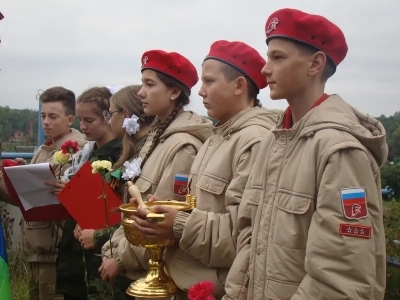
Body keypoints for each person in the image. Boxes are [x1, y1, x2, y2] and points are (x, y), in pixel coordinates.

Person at [223, 8, 388, 300]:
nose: (264, 69)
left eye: (278, 57)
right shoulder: (274, 141)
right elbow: (249, 240)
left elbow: (340, 278)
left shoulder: (339, 150)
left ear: (315, 64)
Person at [130, 40, 282, 299]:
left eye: (209, 82)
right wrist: (167, 209)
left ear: (239, 86)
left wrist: (177, 224)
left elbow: (246, 235)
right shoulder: (216, 138)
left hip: (216, 288)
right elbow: (203, 208)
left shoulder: (255, 141)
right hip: (187, 281)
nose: (200, 92)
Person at [100, 50, 213, 289]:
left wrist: (119, 258)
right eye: (142, 83)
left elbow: (160, 223)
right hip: (138, 270)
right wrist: (112, 248)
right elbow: (133, 208)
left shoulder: (183, 145)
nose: (141, 92)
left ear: (174, 92)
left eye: (150, 84)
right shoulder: (157, 137)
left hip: (158, 278)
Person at [2, 86, 86, 300]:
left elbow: (48, 195)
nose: (46, 122)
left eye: (52, 116)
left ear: (70, 119)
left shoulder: (75, 150)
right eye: (43, 116)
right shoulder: (44, 148)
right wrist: (23, 170)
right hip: (38, 245)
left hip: (55, 247)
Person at [82, 85, 155, 300]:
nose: (107, 120)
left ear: (125, 115)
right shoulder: (131, 150)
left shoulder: (146, 152)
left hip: (134, 266)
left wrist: (98, 236)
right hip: (120, 256)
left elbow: (140, 213)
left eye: (109, 114)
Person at [53, 86, 123, 300]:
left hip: (98, 260)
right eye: (80, 120)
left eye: (89, 120)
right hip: (76, 254)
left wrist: (74, 193)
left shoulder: (120, 155)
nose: (82, 127)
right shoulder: (86, 153)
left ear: (107, 117)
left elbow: (115, 208)